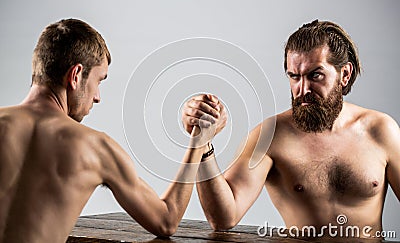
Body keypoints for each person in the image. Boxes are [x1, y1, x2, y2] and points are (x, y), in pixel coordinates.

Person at [182, 20, 400, 238]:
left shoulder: (381, 130)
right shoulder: (271, 135)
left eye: (315, 75)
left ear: (344, 75)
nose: (302, 89)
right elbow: (223, 218)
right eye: (294, 76)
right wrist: (204, 144)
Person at [0, 18, 209, 243]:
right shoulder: (96, 148)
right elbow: (166, 220)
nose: (97, 97)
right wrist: (199, 140)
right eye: (99, 81)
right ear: (76, 75)